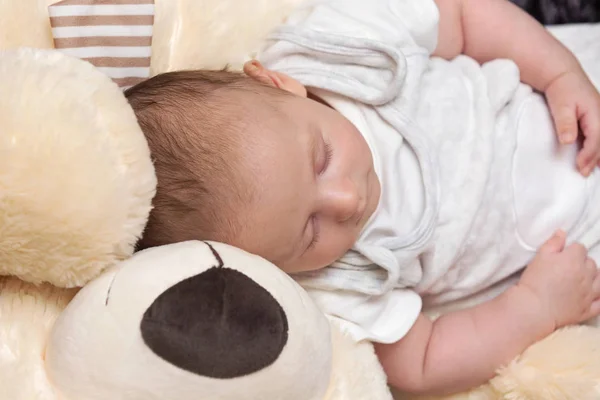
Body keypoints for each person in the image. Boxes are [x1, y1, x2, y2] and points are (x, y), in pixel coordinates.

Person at [125, 0, 600, 395]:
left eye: (322, 159)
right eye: (310, 232)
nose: (348, 200)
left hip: (568, 88)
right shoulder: (333, 285)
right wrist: (536, 306)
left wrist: (561, 74)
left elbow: (462, 14)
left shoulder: (342, 51)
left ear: (278, 83)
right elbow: (423, 363)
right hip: (579, 246)